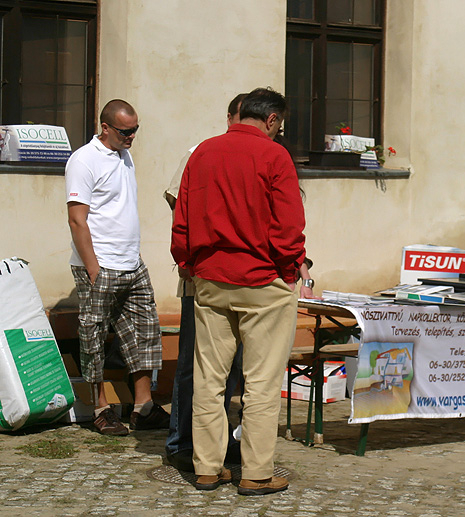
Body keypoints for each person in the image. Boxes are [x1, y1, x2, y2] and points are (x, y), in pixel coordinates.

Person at [171, 87, 306, 495]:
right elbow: (287, 225)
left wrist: (188, 265)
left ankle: (207, 468)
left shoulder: (203, 153)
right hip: (264, 281)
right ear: (271, 119)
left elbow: (182, 219)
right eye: (279, 124)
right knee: (260, 381)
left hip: (211, 279)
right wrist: (291, 267)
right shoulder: (274, 156)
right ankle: (256, 473)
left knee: (208, 378)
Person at [65, 99, 170, 436]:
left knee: (145, 332)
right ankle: (100, 408)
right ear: (105, 127)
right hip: (100, 265)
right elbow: (77, 219)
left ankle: (143, 407)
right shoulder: (84, 159)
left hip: (131, 263)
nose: (132, 136)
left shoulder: (125, 155)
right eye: (125, 131)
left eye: (135, 130)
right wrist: (93, 268)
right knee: (94, 336)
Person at [163, 93, 248, 472]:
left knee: (231, 366)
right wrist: (190, 253)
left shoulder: (259, 154)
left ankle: (217, 440)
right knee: (192, 362)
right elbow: (177, 203)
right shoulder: (201, 152)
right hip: (200, 279)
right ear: (229, 118)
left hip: (240, 281)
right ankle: (182, 440)